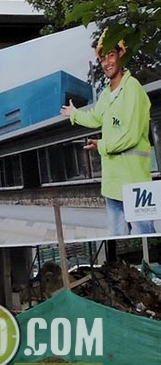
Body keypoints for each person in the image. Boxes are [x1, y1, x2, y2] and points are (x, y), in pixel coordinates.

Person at [61, 28, 155, 237]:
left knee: (145, 237)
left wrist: (101, 146)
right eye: (102, 59)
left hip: (136, 183)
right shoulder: (106, 94)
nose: (106, 63)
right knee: (117, 239)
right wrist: (74, 114)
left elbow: (130, 135)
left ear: (121, 54)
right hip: (112, 184)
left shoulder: (133, 89)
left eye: (111, 55)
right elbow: (96, 118)